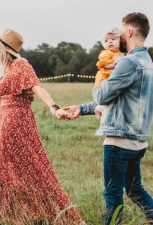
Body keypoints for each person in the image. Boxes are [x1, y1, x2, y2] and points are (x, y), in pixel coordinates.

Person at [0, 28, 83, 224]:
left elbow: (37, 87)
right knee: (3, 169)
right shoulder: (8, 70)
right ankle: (9, 216)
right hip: (5, 124)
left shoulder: (22, 66)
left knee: (29, 168)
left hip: (16, 124)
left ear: (4, 49)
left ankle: (31, 214)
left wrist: (54, 108)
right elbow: (0, 104)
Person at [63, 12, 153, 225]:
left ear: (129, 32)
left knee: (112, 195)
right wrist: (82, 108)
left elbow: (104, 95)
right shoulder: (148, 62)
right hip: (138, 140)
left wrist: (99, 86)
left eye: (121, 32)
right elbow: (119, 98)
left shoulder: (128, 63)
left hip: (119, 139)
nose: (118, 36)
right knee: (134, 189)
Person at [94, 27, 123, 120]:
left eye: (113, 39)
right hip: (103, 77)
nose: (110, 42)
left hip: (111, 77)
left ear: (119, 42)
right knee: (107, 91)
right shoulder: (106, 53)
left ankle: (100, 108)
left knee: (112, 94)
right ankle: (101, 109)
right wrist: (115, 64)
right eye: (106, 41)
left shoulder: (119, 54)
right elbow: (103, 64)